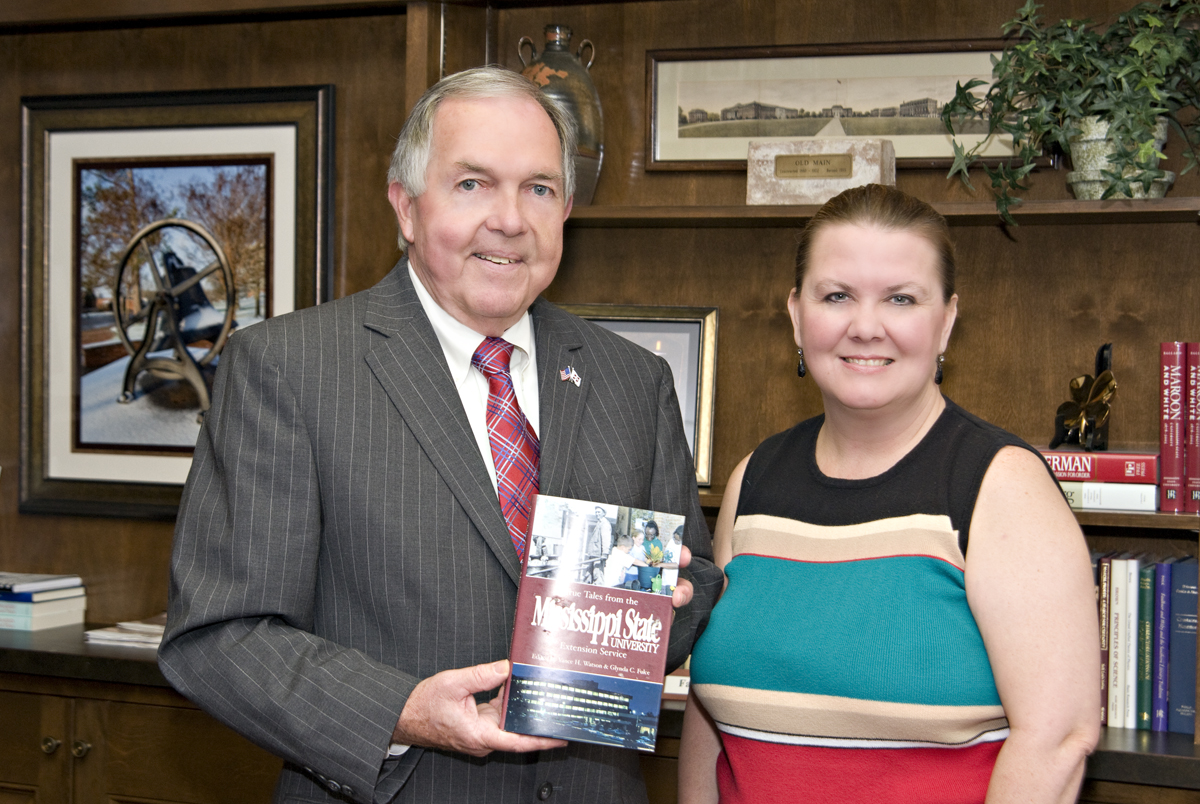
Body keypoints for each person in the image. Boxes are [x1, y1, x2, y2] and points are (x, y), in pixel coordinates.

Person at [158, 66, 722, 804]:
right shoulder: (288, 370)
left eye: (539, 189)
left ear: (567, 210)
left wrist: (662, 610)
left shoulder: (631, 380)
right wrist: (401, 712)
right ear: (407, 206)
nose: (511, 219)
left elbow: (698, 581)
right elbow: (219, 637)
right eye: (473, 184)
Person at [678, 184, 1099, 804]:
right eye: (837, 296)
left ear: (946, 320)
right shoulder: (753, 479)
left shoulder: (1000, 486)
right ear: (797, 314)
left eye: (900, 298)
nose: (866, 326)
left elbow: (1058, 740)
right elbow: (710, 722)